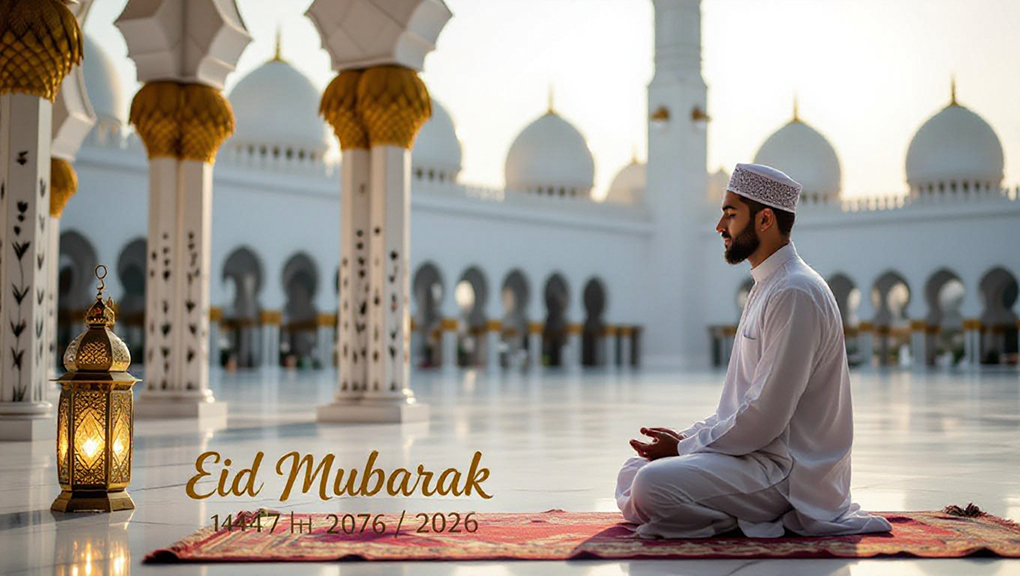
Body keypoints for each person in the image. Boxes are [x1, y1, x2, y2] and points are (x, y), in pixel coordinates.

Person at [615, 163, 892, 538]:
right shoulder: (770, 285)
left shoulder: (794, 292)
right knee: (632, 473)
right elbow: (739, 408)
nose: (719, 227)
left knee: (650, 485)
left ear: (764, 220)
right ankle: (716, 512)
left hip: (790, 477)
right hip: (755, 458)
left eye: (730, 214)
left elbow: (764, 418)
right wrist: (686, 440)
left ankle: (749, 518)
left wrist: (685, 451)